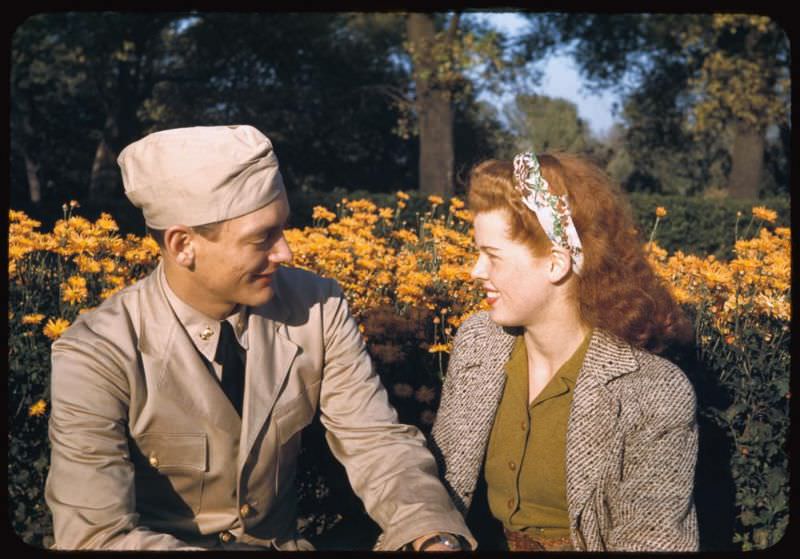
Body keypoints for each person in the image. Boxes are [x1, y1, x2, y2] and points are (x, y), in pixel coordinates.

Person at [45, 125, 473, 551]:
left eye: (282, 229)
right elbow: (96, 536)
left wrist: (430, 532)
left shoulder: (317, 307)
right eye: (261, 237)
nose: (285, 253)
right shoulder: (95, 354)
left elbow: (374, 441)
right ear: (182, 245)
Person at [429, 151, 699, 552]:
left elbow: (651, 539)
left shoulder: (652, 391)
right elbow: (443, 488)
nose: (475, 271)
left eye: (493, 256)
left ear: (556, 263)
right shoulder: (478, 343)